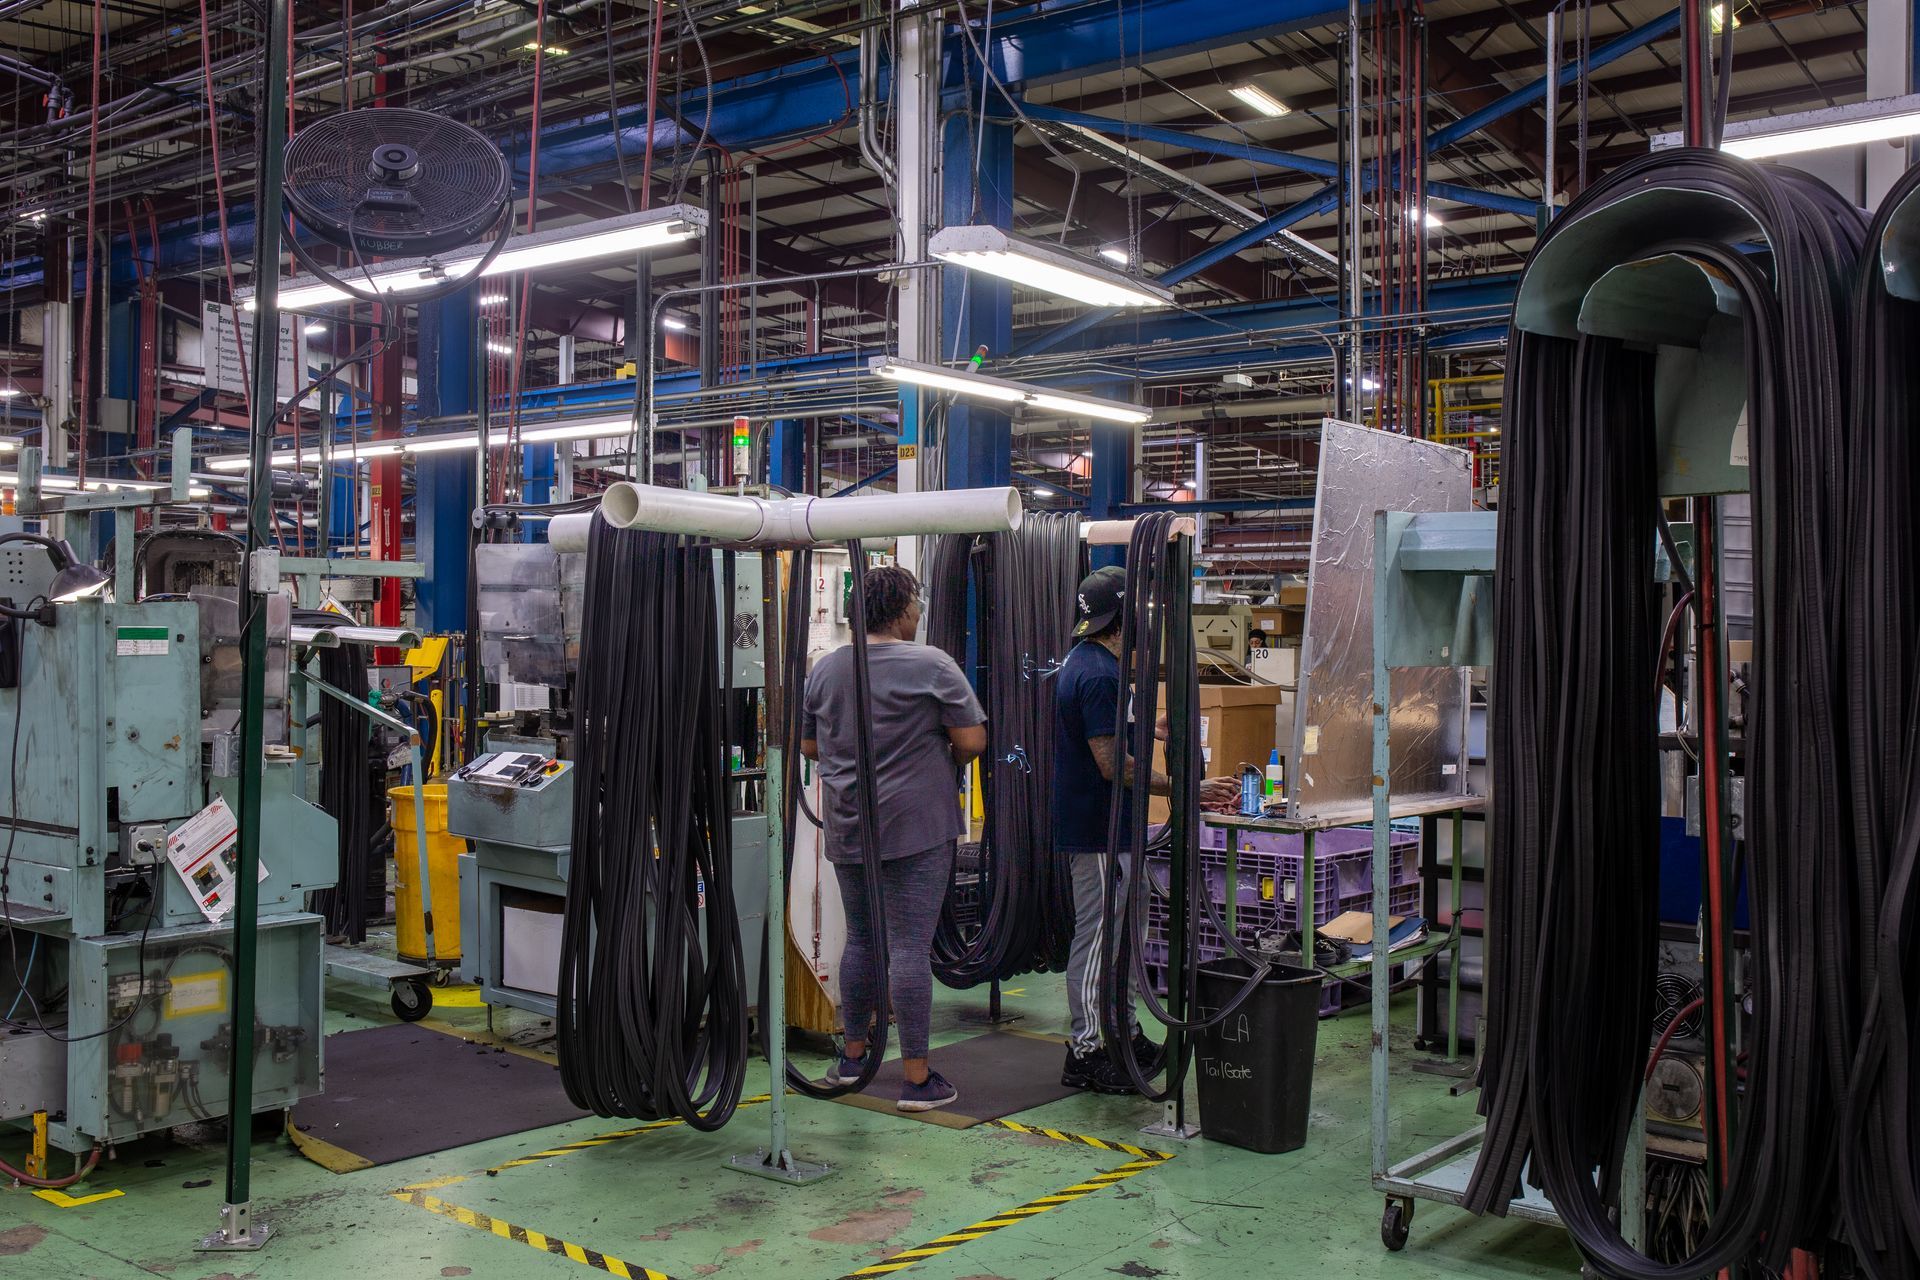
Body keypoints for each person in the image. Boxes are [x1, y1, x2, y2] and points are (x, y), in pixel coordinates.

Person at [801, 563, 987, 1112]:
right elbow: (972, 740)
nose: (919, 612)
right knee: (908, 947)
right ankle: (916, 1078)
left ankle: (852, 1059)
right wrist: (934, 756)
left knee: (861, 940)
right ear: (904, 609)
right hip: (916, 825)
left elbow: (810, 747)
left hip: (850, 823)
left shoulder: (828, 668)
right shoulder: (932, 664)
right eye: (916, 603)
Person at [1051, 565, 1170, 1093]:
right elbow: (1111, 764)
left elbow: (1110, 732)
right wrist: (1178, 788)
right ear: (1123, 618)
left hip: (1116, 832)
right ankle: (1088, 1049)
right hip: (1098, 831)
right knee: (1100, 938)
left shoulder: (1095, 663)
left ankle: (1121, 1030)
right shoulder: (1098, 673)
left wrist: (1150, 726)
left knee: (1125, 937)